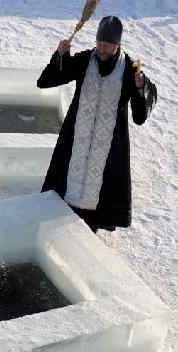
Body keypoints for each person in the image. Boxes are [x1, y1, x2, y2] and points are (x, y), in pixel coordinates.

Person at [37, 15, 158, 233]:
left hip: (109, 144)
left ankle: (90, 233)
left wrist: (141, 89)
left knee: (100, 192)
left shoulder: (131, 70)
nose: (102, 48)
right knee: (65, 190)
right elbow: (45, 81)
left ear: (117, 44)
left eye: (107, 45)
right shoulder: (85, 60)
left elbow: (140, 116)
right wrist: (60, 56)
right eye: (99, 42)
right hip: (77, 137)